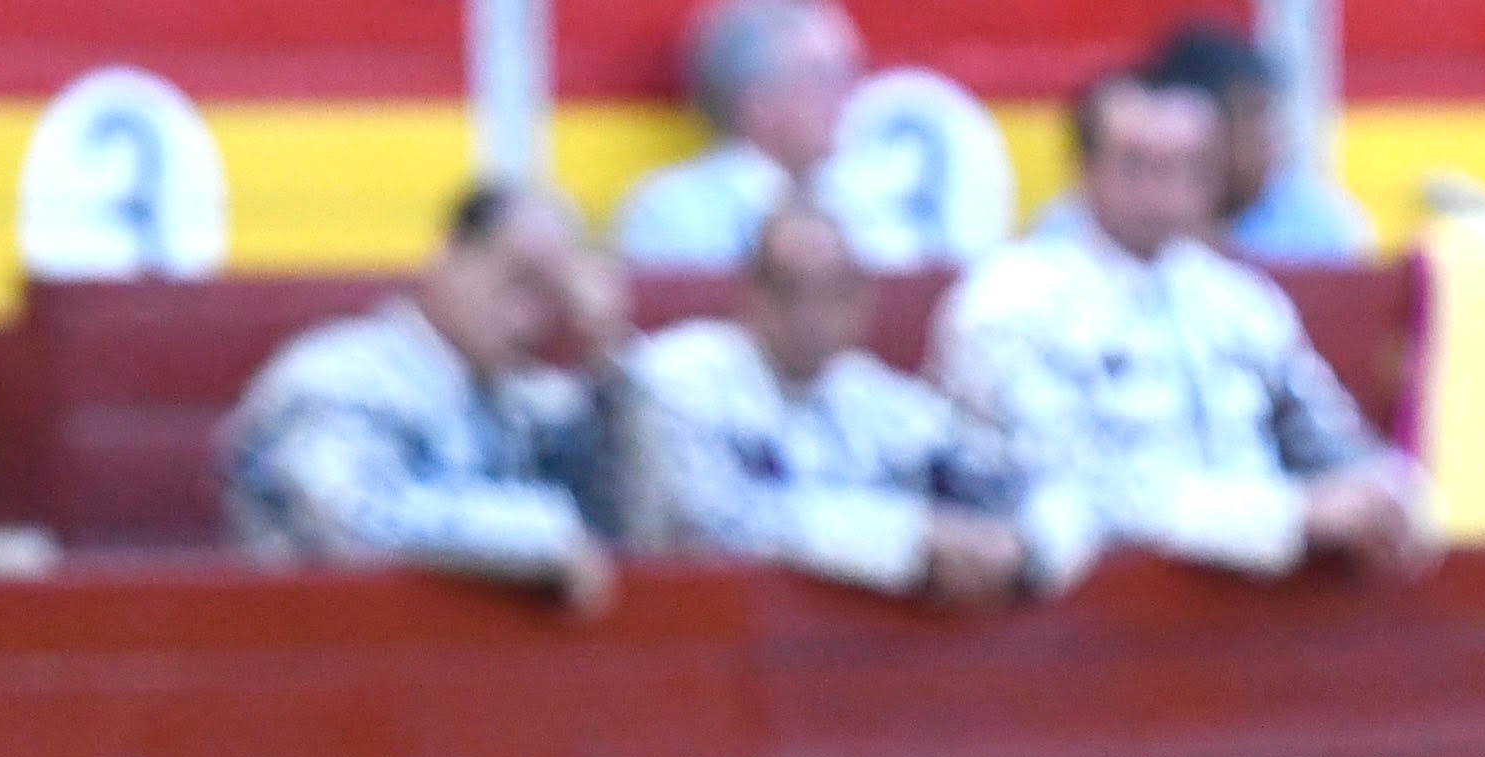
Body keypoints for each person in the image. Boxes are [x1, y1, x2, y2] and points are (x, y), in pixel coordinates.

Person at [932, 63, 1428, 579]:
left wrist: (1385, 492)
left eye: (1186, 167)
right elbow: (1056, 488)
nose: (1162, 191)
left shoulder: (1238, 301)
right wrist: (1287, 517)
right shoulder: (1013, 298)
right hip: (1098, 607)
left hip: (1266, 599)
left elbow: (1330, 442)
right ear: (1085, 168)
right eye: (1136, 165)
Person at [222, 178, 640, 610]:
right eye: (518, 282)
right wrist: (538, 536)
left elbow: (629, 523)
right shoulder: (339, 374)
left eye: (551, 298)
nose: (529, 320)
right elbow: (347, 520)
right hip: (318, 639)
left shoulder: (520, 401)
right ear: (449, 256)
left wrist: (602, 354)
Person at [638, 196, 1077, 602]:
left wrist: (1025, 548)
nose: (812, 314)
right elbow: (707, 524)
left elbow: (1018, 481)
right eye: (790, 291)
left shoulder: (878, 400)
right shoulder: (681, 379)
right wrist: (904, 541)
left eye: (835, 293)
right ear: (752, 293)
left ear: (862, 301)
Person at [610, 0, 856, 273]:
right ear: (757, 99)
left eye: (846, 75)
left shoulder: (869, 202)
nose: (844, 95)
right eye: (822, 76)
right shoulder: (673, 213)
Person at [1137, 15, 1368, 263]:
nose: (1269, 135)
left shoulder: (1316, 223)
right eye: (1251, 115)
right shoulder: (1135, 213)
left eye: (1268, 115)